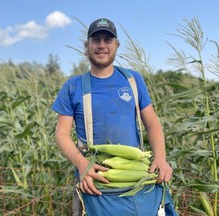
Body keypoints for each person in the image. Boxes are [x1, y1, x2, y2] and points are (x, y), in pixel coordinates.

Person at [52, 18, 177, 216]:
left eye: (108, 40)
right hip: (95, 181)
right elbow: (61, 133)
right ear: (87, 45)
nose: (102, 45)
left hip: (135, 177)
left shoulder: (133, 80)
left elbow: (152, 123)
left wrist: (160, 158)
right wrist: (82, 164)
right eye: (96, 40)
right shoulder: (73, 86)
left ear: (116, 45)